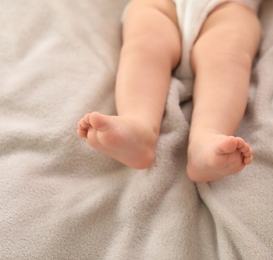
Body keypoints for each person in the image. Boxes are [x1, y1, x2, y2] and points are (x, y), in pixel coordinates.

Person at [77, 0, 261, 182]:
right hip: (160, 5)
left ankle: (206, 138)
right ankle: (139, 125)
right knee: (144, 45)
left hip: (227, 8)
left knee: (227, 59)